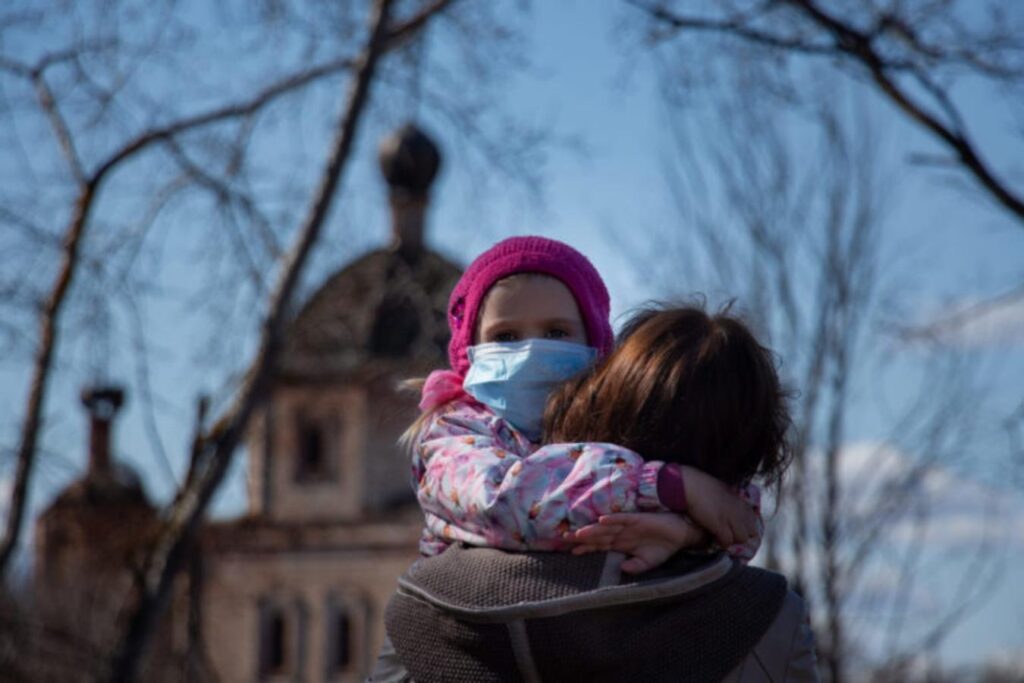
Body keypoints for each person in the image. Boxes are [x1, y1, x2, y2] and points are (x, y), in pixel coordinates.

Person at [379, 305, 819, 682]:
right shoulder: (771, 619)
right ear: (754, 451)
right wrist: (692, 525)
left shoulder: (427, 607)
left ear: (601, 400)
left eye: (556, 333)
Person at [407, 235, 760, 564]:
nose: (530, 351)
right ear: (470, 350)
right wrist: (666, 486)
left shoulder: (610, 422)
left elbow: (736, 516)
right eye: (506, 335)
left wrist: (688, 534)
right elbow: (502, 503)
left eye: (556, 332)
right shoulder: (451, 431)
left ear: (596, 349)